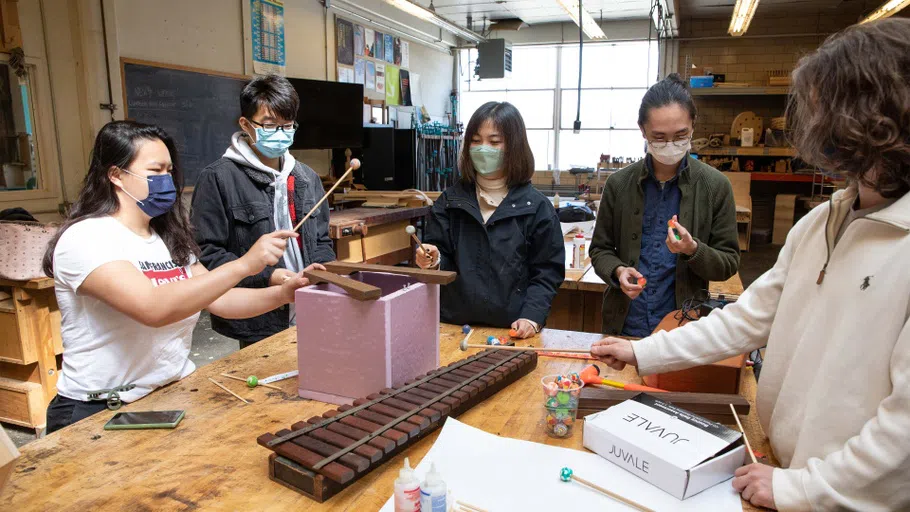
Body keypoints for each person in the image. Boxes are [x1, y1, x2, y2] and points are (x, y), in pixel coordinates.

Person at [591, 19, 910, 511]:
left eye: (824, 112)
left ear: (871, 121)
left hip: (842, 496)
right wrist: (643, 355)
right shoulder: (821, 223)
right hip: (787, 472)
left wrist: (799, 488)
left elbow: (903, 431)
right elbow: (744, 320)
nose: (813, 129)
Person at [42, 121, 323, 433]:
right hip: (100, 411)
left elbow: (222, 300)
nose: (167, 181)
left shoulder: (166, 236)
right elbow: (154, 308)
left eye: (169, 171)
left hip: (168, 396)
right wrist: (244, 265)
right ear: (116, 175)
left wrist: (286, 293)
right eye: (156, 171)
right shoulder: (87, 238)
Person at [589, 74, 740, 338]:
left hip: (684, 329)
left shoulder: (716, 186)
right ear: (642, 130)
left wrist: (693, 250)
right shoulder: (619, 184)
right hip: (625, 324)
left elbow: (728, 263)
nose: (670, 145)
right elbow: (600, 249)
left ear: (693, 125)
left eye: (680, 135)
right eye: (658, 137)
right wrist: (618, 270)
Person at [191, 74, 335, 348]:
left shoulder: (306, 177)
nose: (280, 133)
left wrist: (321, 273)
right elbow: (207, 254)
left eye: (288, 125)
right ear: (246, 124)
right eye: (270, 126)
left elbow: (322, 240)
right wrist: (271, 276)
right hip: (257, 317)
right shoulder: (219, 178)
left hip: (312, 308)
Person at [415, 102, 564, 337]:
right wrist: (433, 259)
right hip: (453, 328)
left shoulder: (537, 208)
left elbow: (547, 272)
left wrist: (532, 317)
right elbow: (441, 258)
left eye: (494, 142)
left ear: (514, 147)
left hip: (513, 331)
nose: (483, 149)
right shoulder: (450, 201)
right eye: (475, 141)